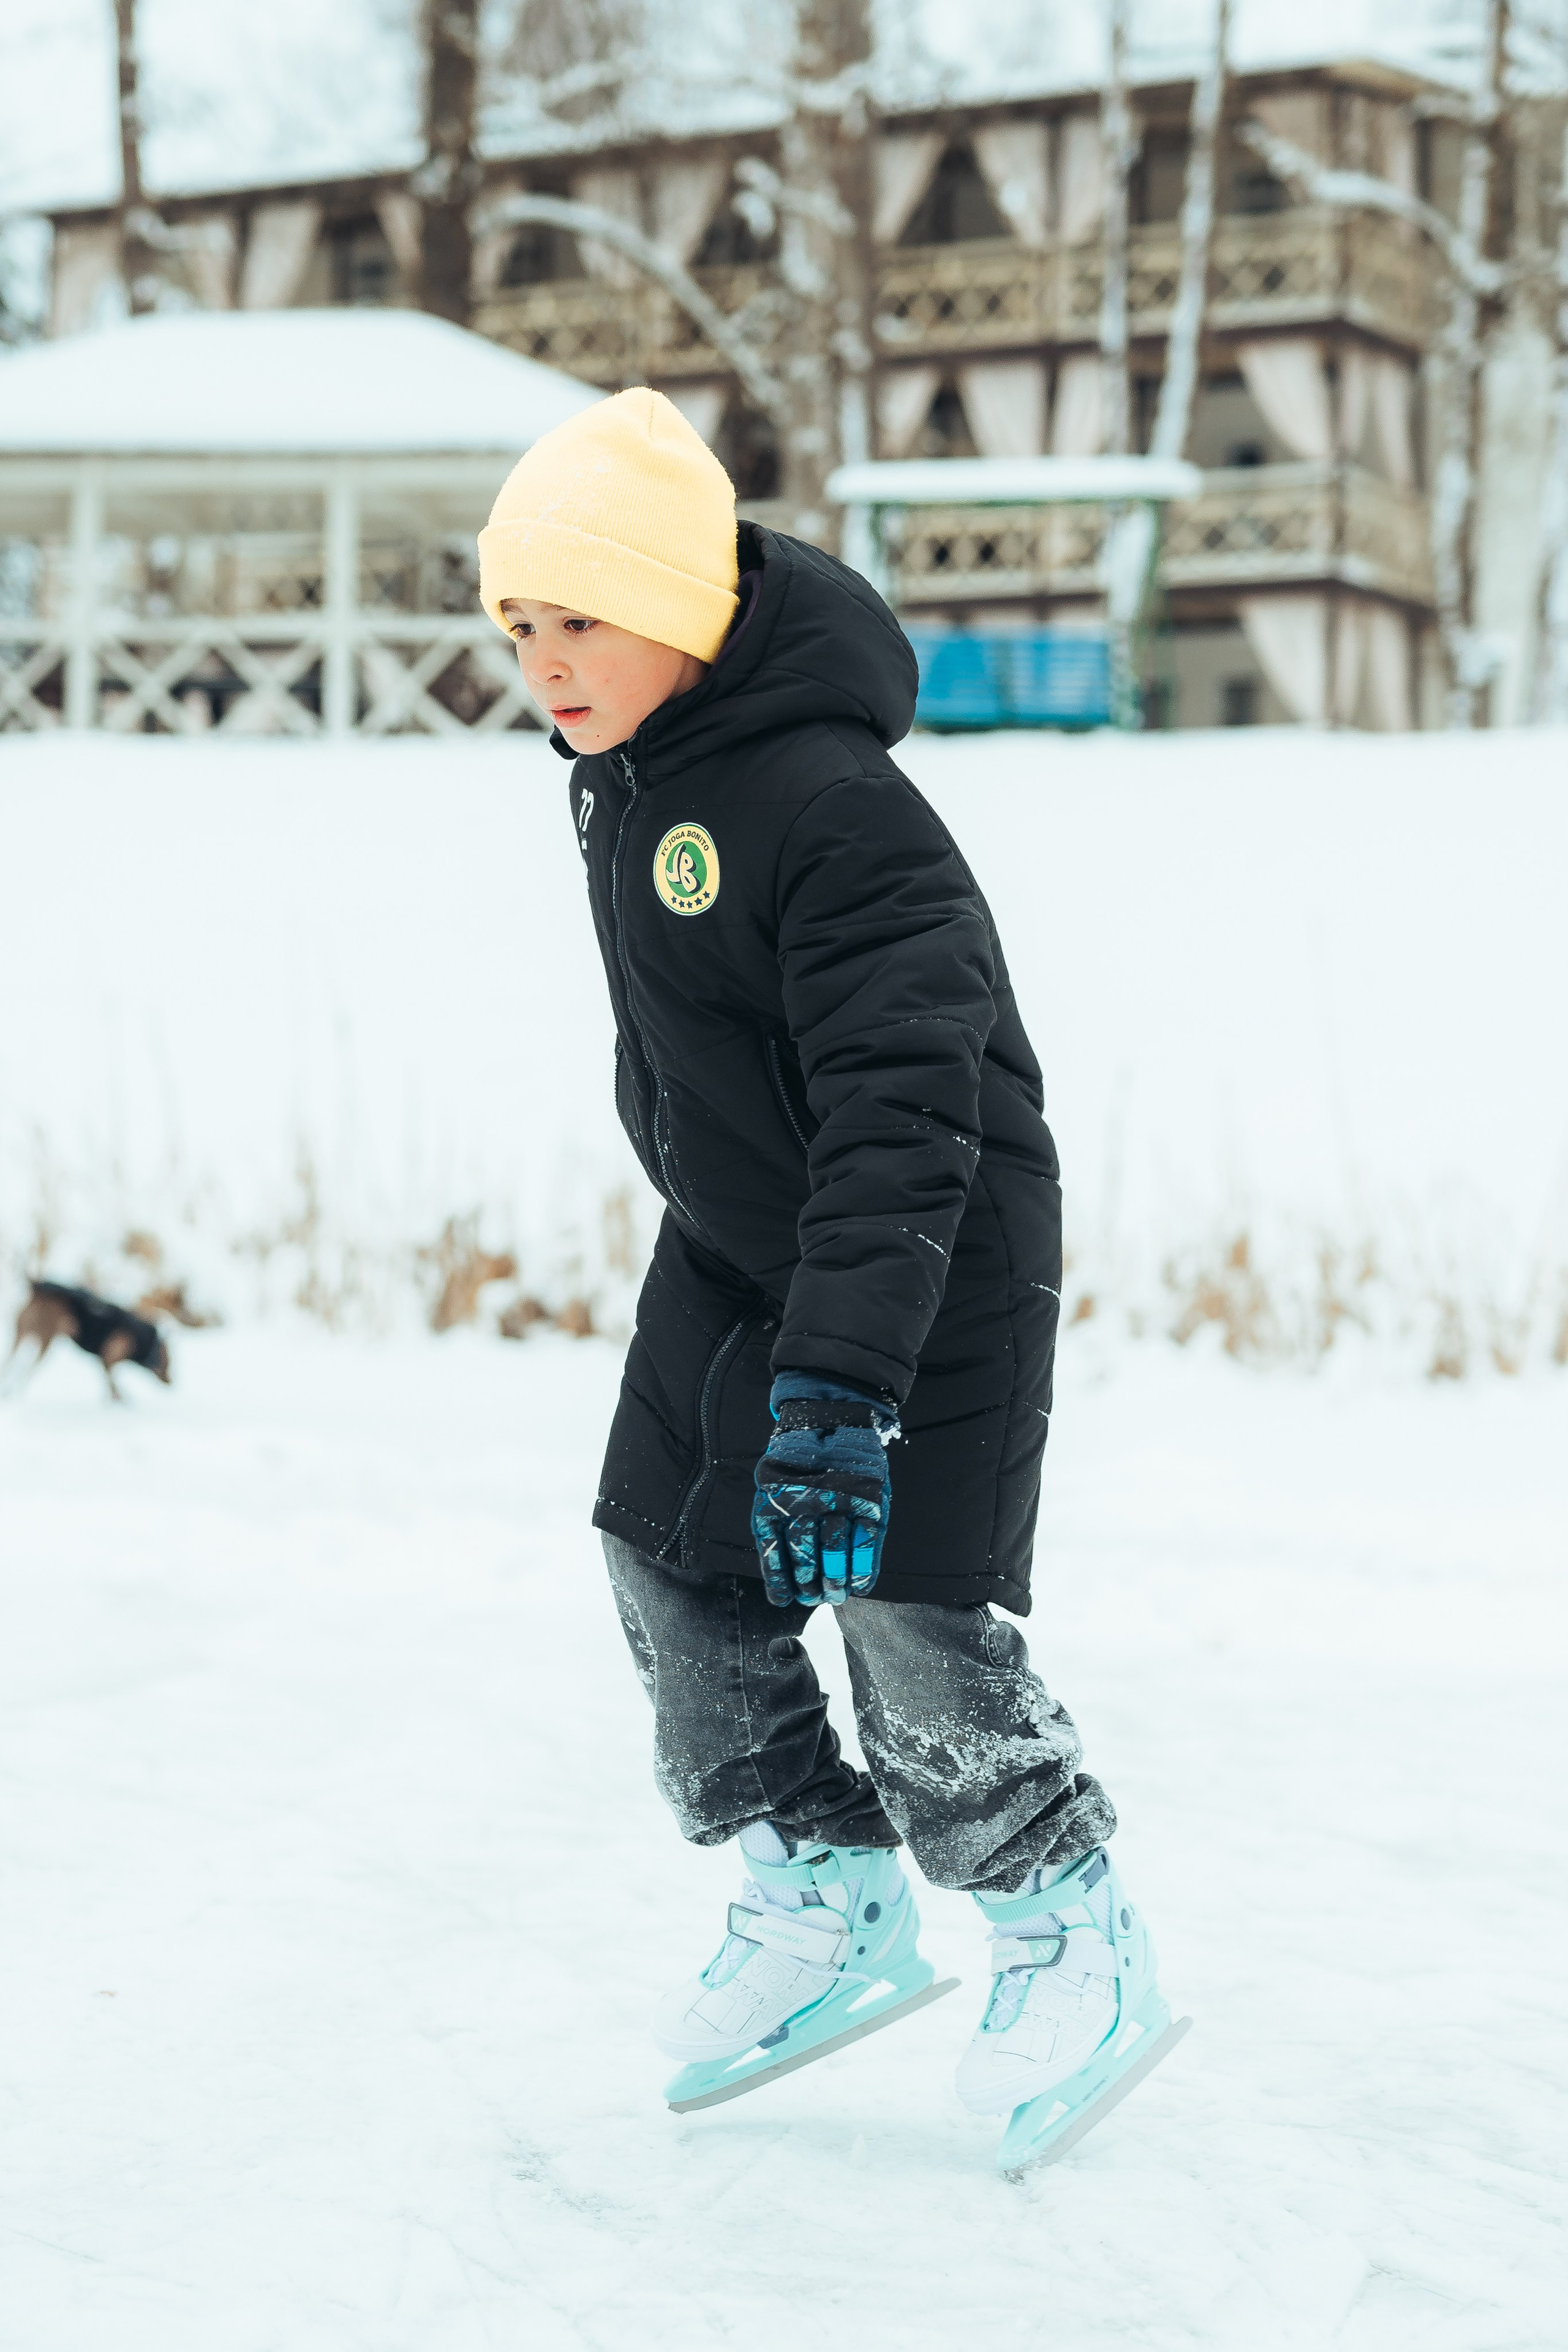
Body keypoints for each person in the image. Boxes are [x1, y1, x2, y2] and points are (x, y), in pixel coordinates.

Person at [477, 388, 1186, 2171]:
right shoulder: (634, 783)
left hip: (921, 1254)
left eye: (585, 620)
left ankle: (1062, 1922)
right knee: (668, 1549)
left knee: (900, 1602)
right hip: (737, 1240)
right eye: (521, 628)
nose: (548, 664)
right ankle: (821, 1884)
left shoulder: (832, 804)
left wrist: (841, 1389)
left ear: (689, 615)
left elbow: (903, 1107)